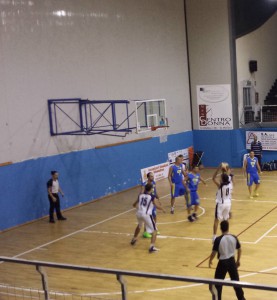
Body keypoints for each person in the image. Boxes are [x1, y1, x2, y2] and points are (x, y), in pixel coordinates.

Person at [209, 220, 246, 300]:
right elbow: (239, 249)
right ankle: (242, 298)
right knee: (236, 282)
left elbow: (214, 252)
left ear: (220, 228)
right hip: (232, 262)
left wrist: (210, 260)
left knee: (218, 284)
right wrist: (238, 260)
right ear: (228, 227)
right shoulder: (234, 237)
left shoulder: (218, 239)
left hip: (222, 263)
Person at [130, 183, 165, 253]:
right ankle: (152, 247)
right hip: (146, 215)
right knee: (154, 230)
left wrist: (138, 207)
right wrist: (162, 209)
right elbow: (156, 205)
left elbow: (134, 204)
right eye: (152, 188)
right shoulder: (152, 196)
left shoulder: (140, 195)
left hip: (138, 213)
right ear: (151, 189)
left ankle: (134, 239)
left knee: (139, 226)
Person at [212, 172, 232, 242]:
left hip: (221, 203)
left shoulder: (220, 186)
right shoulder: (229, 184)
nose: (219, 178)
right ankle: (226, 234)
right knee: (226, 219)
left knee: (216, 220)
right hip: (228, 203)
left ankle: (214, 237)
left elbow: (213, 178)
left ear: (222, 180)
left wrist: (218, 168)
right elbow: (228, 176)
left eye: (220, 178)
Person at [140, 172, 161, 238]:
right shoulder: (144, 184)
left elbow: (154, 191)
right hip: (148, 203)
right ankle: (145, 232)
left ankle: (153, 229)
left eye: (153, 176)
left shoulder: (154, 183)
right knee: (147, 217)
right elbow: (141, 193)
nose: (153, 177)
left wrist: (158, 197)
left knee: (154, 216)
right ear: (148, 177)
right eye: (151, 176)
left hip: (153, 202)